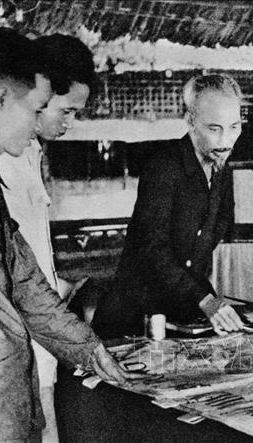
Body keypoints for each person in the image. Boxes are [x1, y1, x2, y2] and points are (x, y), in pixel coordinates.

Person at [0, 25, 140, 442]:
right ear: (3, 99)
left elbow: (26, 284)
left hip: (4, 404)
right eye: (35, 108)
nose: (37, 121)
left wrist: (88, 348)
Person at [0, 33, 95, 443]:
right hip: (16, 348)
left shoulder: (31, 152)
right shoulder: (0, 160)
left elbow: (29, 250)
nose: (69, 123)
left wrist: (61, 286)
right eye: (65, 110)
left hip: (42, 341)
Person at [92, 74, 244, 338]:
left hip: (180, 312)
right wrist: (204, 299)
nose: (226, 141)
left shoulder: (221, 166)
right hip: (132, 318)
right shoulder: (164, 166)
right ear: (190, 121)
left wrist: (207, 300)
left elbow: (199, 250)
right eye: (214, 129)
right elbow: (153, 248)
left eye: (234, 127)